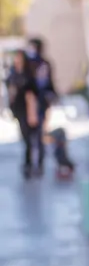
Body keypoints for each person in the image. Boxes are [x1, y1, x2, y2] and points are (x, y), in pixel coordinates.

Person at [5, 48, 42, 178]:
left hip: (29, 110)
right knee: (26, 137)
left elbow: (34, 92)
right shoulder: (13, 75)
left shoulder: (28, 75)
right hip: (19, 110)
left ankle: (32, 163)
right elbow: (10, 91)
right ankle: (28, 163)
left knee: (32, 138)